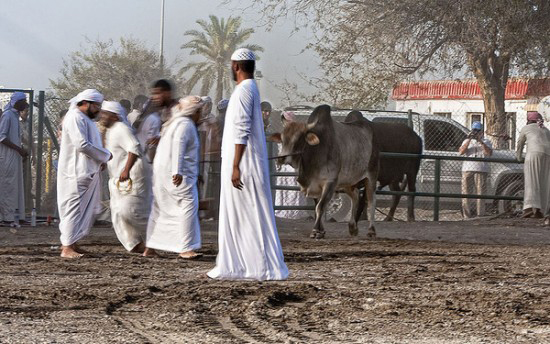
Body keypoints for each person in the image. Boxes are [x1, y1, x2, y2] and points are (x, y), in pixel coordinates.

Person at [207, 48, 289, 281]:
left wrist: (236, 165)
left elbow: (241, 129)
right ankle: (235, 265)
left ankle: (262, 267)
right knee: (237, 215)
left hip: (245, 164)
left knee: (251, 213)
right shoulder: (248, 89)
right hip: (240, 161)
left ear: (236, 66)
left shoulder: (245, 91)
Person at [145, 96, 204, 259]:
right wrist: (177, 171)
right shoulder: (185, 125)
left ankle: (150, 246)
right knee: (188, 206)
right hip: (178, 174)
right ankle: (185, 248)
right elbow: (179, 145)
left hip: (163, 174)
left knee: (159, 209)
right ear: (195, 111)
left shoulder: (173, 123)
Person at [57, 89, 111, 258]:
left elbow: (91, 144)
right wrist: (105, 156)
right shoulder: (74, 117)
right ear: (86, 103)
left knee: (81, 209)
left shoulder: (84, 119)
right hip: (76, 172)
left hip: (86, 170)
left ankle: (72, 243)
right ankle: (67, 248)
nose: (98, 110)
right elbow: (82, 145)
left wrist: (98, 161)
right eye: (97, 106)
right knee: (73, 208)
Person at [101, 101, 151, 253]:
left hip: (131, 177)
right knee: (117, 213)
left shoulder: (121, 128)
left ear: (115, 116)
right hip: (117, 179)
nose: (102, 116)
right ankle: (136, 244)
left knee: (130, 210)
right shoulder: (110, 131)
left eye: (105, 114)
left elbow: (134, 148)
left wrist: (126, 170)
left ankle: (156, 239)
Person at [274, 111, 310, 219]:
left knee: (295, 186)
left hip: (294, 164)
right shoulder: (282, 133)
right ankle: (284, 211)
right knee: (284, 187)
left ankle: (296, 211)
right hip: (284, 165)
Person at [0, 92, 28, 224]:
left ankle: (17, 216)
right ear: (17, 102)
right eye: (23, 101)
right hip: (7, 156)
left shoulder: (15, 116)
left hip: (15, 155)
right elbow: (2, 137)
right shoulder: (7, 115)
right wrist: (19, 150)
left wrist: (21, 151)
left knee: (16, 185)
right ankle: (7, 217)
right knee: (8, 185)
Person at [516, 110, 550, 219]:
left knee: (531, 181)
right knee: (544, 182)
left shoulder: (526, 128)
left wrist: (518, 157)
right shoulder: (545, 129)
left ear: (528, 120)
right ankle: (541, 210)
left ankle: (529, 208)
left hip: (534, 154)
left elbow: (520, 143)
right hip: (547, 155)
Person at [458, 121, 493, 218]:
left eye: (478, 131)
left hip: (481, 169)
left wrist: (480, 141)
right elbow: (461, 152)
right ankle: (466, 214)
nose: (476, 133)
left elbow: (488, 153)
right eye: (474, 130)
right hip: (468, 168)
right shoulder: (466, 141)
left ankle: (480, 214)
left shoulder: (487, 141)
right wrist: (469, 139)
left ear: (482, 132)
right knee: (466, 192)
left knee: (480, 193)